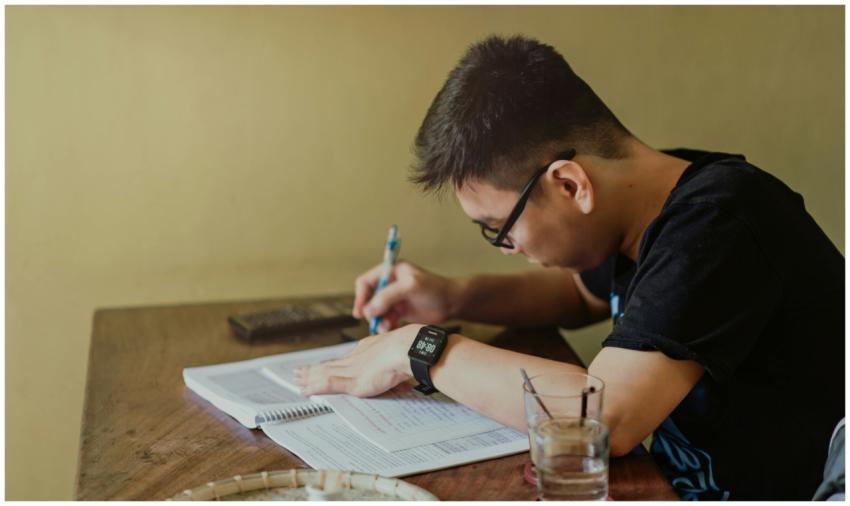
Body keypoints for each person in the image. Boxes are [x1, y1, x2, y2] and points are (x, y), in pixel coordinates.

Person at [293, 35, 844, 500]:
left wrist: (419, 349)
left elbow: (605, 417)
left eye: (499, 228)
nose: (505, 246)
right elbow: (580, 297)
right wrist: (453, 296)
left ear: (569, 184)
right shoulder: (650, 200)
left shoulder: (719, 222)